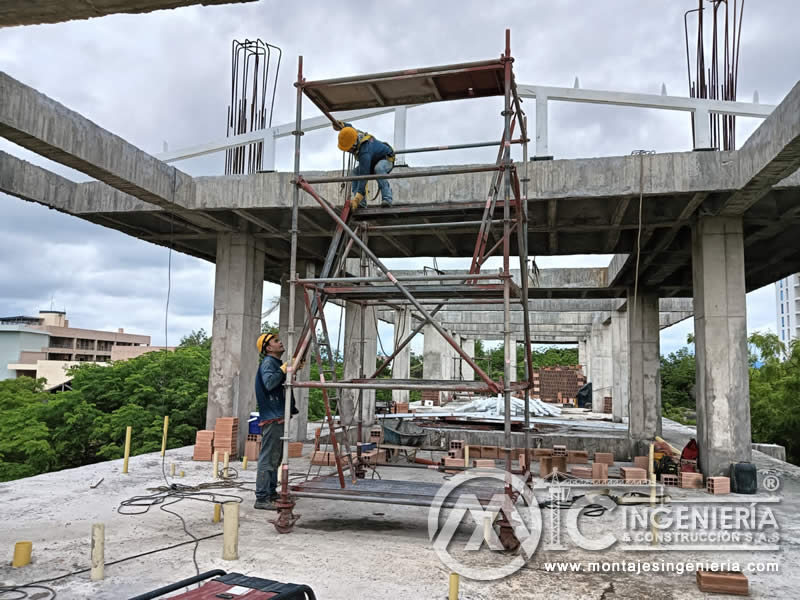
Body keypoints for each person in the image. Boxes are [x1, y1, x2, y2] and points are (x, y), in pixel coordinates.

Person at [253, 332, 300, 510]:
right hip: (273, 417)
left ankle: (271, 493)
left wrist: (291, 369)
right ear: (267, 347)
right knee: (268, 459)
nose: (280, 343)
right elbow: (270, 383)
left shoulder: (275, 363)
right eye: (276, 341)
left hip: (278, 416)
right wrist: (284, 369)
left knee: (275, 458)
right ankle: (262, 497)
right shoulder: (268, 363)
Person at [334, 120, 395, 211]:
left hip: (385, 160)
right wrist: (342, 125)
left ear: (354, 145)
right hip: (372, 160)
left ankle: (387, 199)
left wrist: (357, 198)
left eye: (348, 149)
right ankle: (361, 204)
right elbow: (349, 128)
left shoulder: (364, 153)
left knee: (378, 169)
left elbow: (364, 176)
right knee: (354, 172)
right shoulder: (354, 134)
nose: (348, 151)